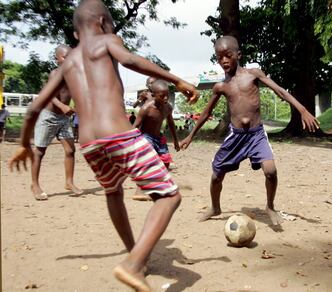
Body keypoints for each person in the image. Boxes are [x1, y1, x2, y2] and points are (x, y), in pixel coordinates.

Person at [8, 0, 198, 290]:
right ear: (100, 23)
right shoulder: (107, 41)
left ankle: (135, 254)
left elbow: (35, 107)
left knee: (113, 191)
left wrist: (24, 144)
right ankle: (133, 265)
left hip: (89, 143)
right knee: (169, 197)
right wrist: (177, 80)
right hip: (118, 135)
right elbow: (131, 60)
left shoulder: (67, 62)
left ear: (74, 33)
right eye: (109, 22)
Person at [180, 36, 320, 225]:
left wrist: (302, 110)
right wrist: (190, 136)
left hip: (256, 134)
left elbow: (280, 91)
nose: (224, 61)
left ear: (238, 54)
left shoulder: (254, 74)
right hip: (236, 136)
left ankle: (270, 206)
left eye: (228, 55)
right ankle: (215, 207)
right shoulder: (220, 86)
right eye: (219, 57)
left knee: (270, 171)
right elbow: (205, 113)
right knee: (216, 175)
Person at [30, 44, 83, 200]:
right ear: (57, 59)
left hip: (64, 118)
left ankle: (69, 182)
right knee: (40, 151)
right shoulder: (55, 74)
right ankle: (35, 184)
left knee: (70, 150)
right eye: (65, 57)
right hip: (48, 116)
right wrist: (62, 106)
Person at [132, 79, 180, 201]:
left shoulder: (168, 107)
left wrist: (175, 140)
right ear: (153, 95)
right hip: (146, 136)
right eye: (162, 96)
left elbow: (171, 123)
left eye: (167, 96)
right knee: (148, 163)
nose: (165, 99)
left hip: (158, 137)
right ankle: (139, 191)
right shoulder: (146, 108)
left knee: (166, 162)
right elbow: (135, 126)